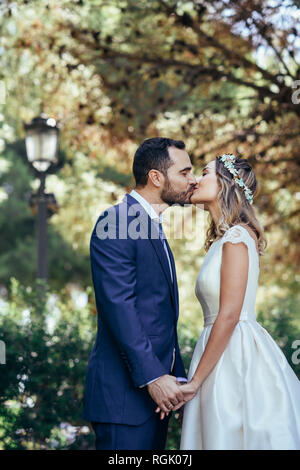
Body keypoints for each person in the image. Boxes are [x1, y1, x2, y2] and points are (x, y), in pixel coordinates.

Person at [156, 154, 300, 450]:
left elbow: (230, 314)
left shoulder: (236, 236)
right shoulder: (224, 239)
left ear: (225, 184)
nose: (195, 179)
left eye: (204, 172)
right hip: (216, 350)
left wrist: (194, 382)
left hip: (235, 354)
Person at [82, 137, 197, 450]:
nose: (193, 179)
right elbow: (119, 307)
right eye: (185, 172)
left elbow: (158, 316)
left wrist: (176, 380)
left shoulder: (152, 226)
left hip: (155, 401)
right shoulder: (117, 222)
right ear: (156, 177)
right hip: (124, 402)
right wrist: (154, 378)